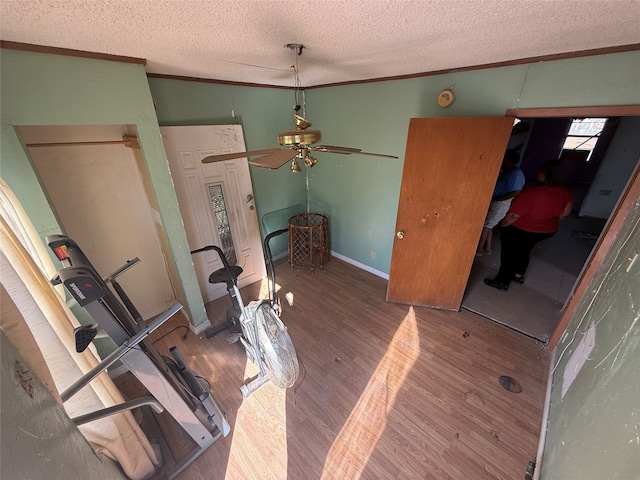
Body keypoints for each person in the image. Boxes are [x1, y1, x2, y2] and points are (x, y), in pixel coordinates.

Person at [484, 158, 573, 291]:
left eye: (539, 171)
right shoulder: (565, 193)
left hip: (521, 229)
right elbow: (565, 213)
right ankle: (518, 275)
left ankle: (502, 282)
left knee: (509, 254)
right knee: (525, 250)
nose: (537, 173)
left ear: (544, 174)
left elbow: (513, 216)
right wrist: (546, 221)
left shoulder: (531, 193)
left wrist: (503, 226)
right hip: (546, 231)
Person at [477, 149, 525, 255]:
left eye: (505, 160)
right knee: (489, 225)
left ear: (510, 161)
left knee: (486, 226)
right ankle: (488, 248)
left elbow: (516, 191)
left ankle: (479, 249)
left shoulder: (516, 173)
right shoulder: (508, 171)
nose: (502, 163)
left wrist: (498, 200)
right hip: (497, 201)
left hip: (501, 203)